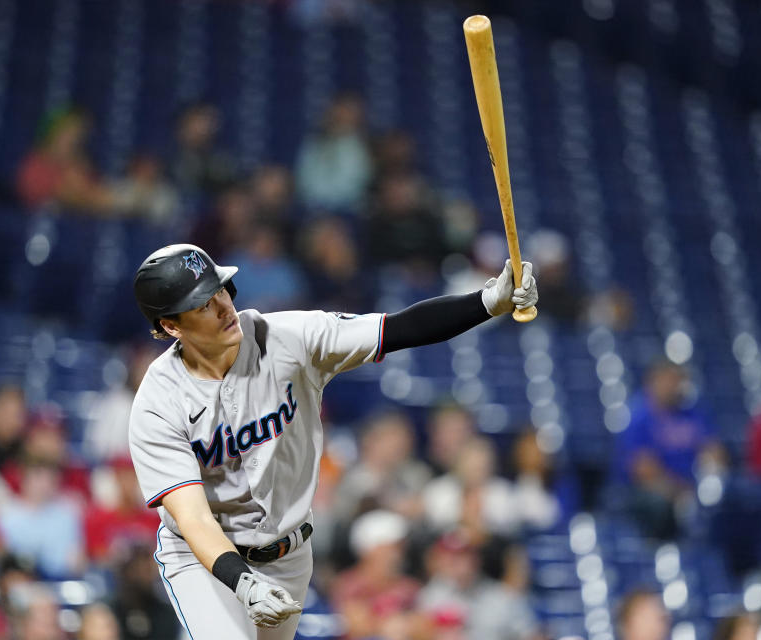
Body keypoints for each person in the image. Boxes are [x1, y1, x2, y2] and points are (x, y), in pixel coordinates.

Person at [128, 243, 538, 639]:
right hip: (205, 561)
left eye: (220, 291)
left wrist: (487, 303)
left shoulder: (289, 336)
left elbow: (396, 329)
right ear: (170, 325)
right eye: (203, 305)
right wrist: (243, 583)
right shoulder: (158, 403)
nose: (223, 308)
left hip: (289, 553)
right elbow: (194, 518)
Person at [614, 359, 726, 539]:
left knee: (725, 499)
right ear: (653, 381)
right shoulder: (639, 415)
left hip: (692, 488)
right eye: (669, 380)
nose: (675, 386)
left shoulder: (693, 412)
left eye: (679, 380)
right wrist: (682, 493)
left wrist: (708, 478)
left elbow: (714, 450)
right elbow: (644, 470)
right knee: (658, 503)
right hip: (654, 491)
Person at [329, 510, 422, 640]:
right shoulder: (348, 585)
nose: (399, 553)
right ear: (371, 549)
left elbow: (424, 626)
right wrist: (385, 626)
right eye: (393, 546)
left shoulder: (408, 586)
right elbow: (354, 625)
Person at [294, 93, 372, 213]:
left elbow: (357, 185)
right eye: (341, 110)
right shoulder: (313, 143)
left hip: (350, 210)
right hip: (313, 209)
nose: (344, 116)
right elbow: (305, 180)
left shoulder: (366, 147)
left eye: (350, 111)